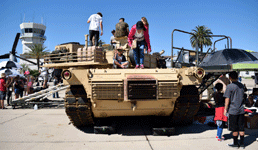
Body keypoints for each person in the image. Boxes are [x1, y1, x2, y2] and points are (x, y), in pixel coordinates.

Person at [224, 71, 245, 148]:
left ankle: (235, 144)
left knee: (234, 128)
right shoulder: (241, 85)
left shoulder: (230, 86)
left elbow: (227, 98)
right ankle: (242, 144)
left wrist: (225, 109)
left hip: (233, 110)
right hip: (241, 109)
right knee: (241, 127)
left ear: (230, 78)